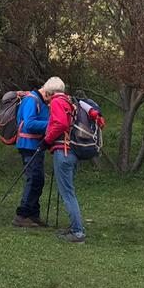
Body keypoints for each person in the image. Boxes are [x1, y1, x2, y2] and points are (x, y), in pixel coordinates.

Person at [43, 79, 86, 243]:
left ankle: (78, 232)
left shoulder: (57, 102)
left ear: (49, 91)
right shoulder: (70, 101)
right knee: (69, 191)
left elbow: (60, 124)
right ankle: (75, 227)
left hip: (63, 151)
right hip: (73, 150)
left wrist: (47, 140)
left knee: (67, 193)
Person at [12, 79, 56, 228]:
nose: (52, 102)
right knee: (34, 178)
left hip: (37, 144)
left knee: (38, 179)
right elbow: (29, 124)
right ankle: (22, 215)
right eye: (52, 97)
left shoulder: (41, 101)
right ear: (48, 92)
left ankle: (33, 214)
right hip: (28, 145)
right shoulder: (32, 100)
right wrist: (52, 123)